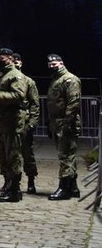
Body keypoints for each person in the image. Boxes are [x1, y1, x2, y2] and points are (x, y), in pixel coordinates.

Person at [0, 48, 28, 202]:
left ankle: (15, 190)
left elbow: (18, 95)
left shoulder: (15, 75)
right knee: (3, 157)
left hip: (12, 123)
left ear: (10, 58)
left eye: (2, 59)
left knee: (13, 156)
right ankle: (7, 184)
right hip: (0, 123)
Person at [46, 53, 82, 200]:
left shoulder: (70, 79)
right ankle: (73, 187)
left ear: (61, 63)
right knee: (67, 155)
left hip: (66, 122)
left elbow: (73, 103)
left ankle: (64, 188)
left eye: (54, 64)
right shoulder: (56, 80)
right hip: (57, 122)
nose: (52, 67)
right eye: (50, 65)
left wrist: (67, 123)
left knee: (65, 156)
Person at [13, 53, 39, 194]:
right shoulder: (7, 81)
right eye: (13, 61)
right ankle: (13, 181)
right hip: (11, 123)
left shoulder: (28, 82)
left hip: (24, 123)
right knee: (12, 154)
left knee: (27, 154)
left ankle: (31, 180)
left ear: (21, 63)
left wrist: (32, 123)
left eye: (17, 61)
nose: (15, 64)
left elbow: (35, 104)